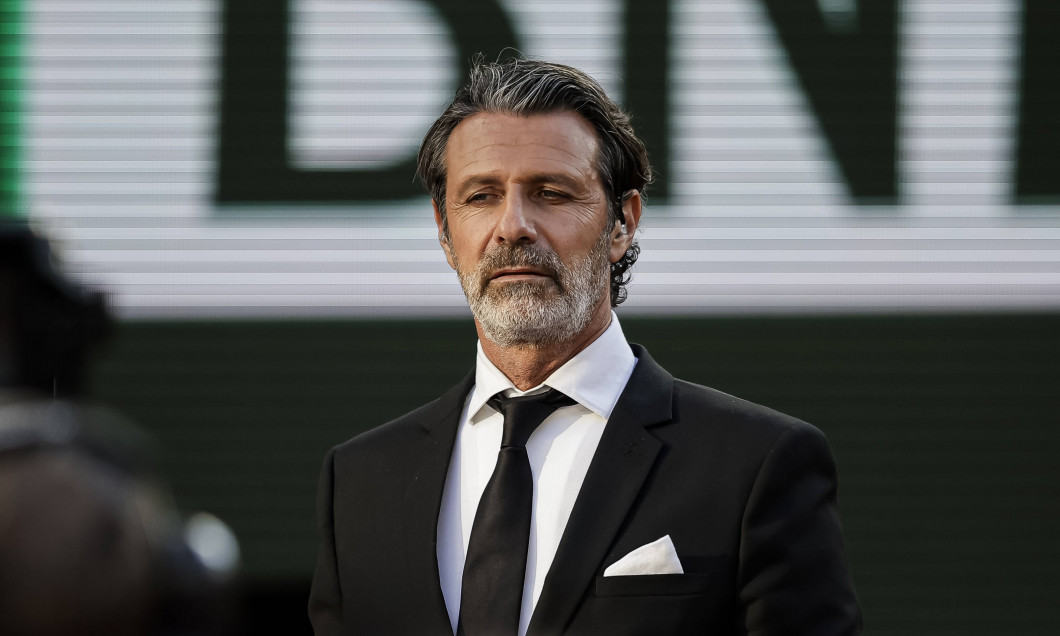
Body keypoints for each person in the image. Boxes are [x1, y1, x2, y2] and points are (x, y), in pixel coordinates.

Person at [309, 57, 861, 635]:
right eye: (480, 197)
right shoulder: (360, 482)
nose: (513, 225)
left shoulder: (756, 463)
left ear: (622, 222)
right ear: (445, 232)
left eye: (550, 192)